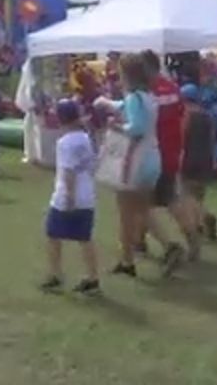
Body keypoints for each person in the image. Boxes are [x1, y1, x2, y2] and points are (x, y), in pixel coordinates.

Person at [104, 53, 173, 278]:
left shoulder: (134, 97)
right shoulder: (147, 96)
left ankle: (136, 257)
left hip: (135, 159)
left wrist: (117, 127)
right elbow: (125, 106)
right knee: (139, 209)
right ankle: (131, 258)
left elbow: (136, 128)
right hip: (152, 157)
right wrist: (107, 103)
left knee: (127, 212)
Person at [139, 50, 196, 264]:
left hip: (151, 154)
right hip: (171, 152)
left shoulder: (147, 93)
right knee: (171, 199)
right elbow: (184, 116)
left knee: (140, 203)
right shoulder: (173, 89)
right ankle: (191, 237)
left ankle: (163, 246)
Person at [39, 99, 100, 296]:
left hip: (68, 196)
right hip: (87, 195)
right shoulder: (84, 137)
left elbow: (68, 171)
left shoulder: (65, 143)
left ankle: (55, 273)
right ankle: (92, 277)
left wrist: (69, 198)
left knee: (52, 234)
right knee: (85, 238)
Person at [179, 83, 217, 247]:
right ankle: (200, 222)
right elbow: (212, 139)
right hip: (205, 158)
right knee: (199, 194)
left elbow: (181, 137)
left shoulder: (185, 115)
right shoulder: (206, 116)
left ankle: (202, 218)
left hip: (188, 158)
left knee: (187, 195)